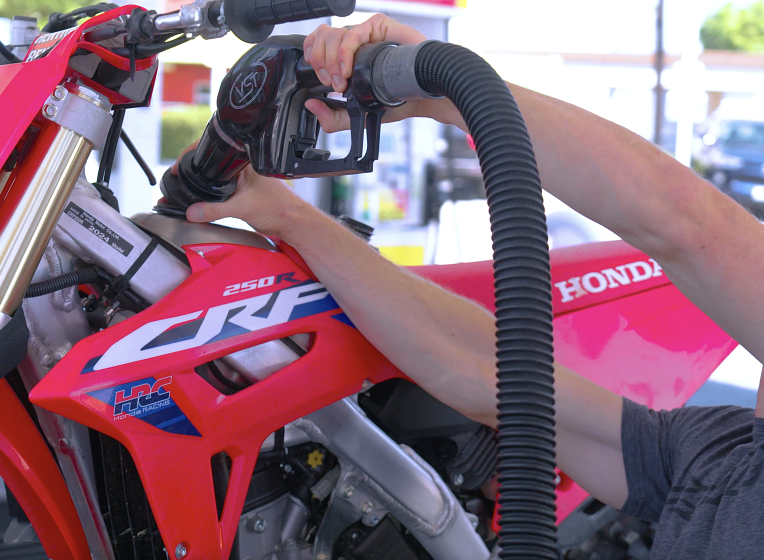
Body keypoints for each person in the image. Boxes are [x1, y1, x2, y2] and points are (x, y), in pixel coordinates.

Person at [178, 15, 764, 559]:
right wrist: (289, 219)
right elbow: (484, 370)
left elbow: (685, 223)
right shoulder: (715, 461)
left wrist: (441, 85)